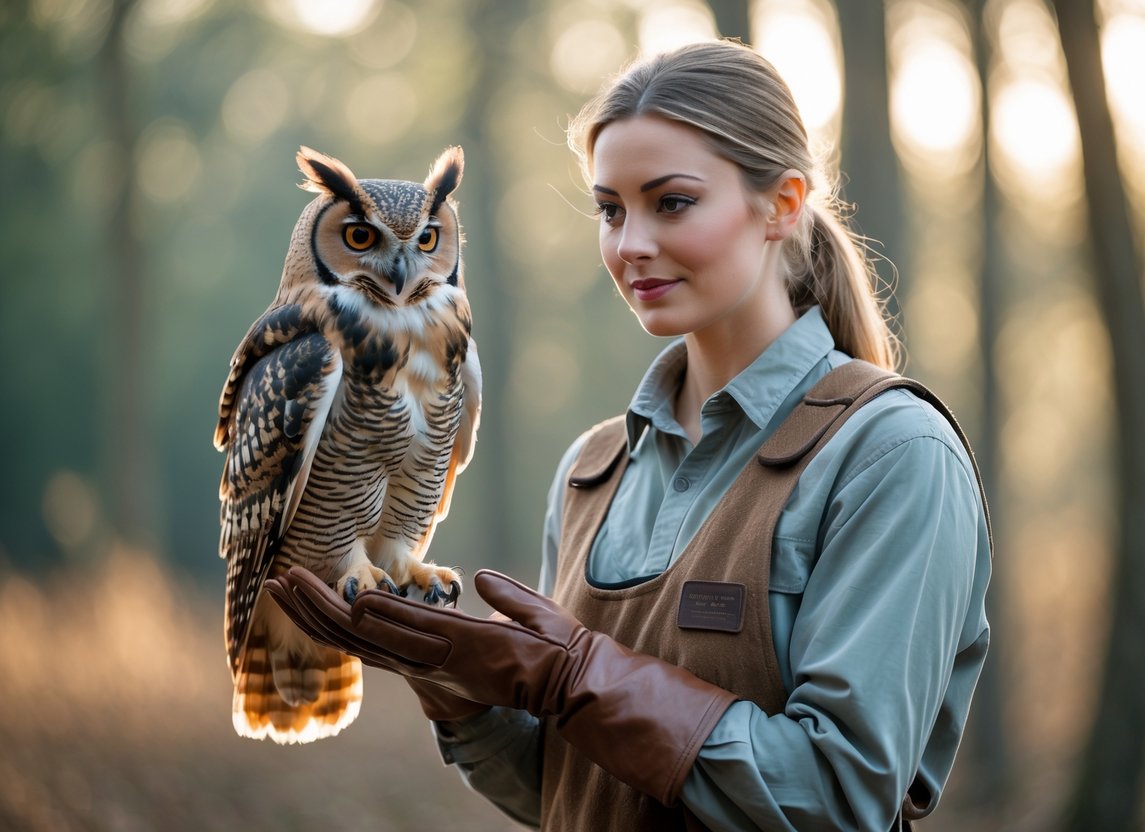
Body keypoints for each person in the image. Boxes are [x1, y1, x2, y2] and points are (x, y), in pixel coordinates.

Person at [268, 39, 992, 832]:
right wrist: (460, 694)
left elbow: (839, 796)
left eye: (670, 202)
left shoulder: (889, 454)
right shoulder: (595, 468)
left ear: (783, 204)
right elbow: (570, 790)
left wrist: (577, 678)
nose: (630, 243)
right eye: (610, 209)